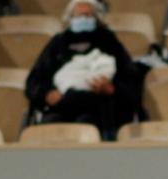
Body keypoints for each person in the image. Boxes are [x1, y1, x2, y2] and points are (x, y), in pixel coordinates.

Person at [24, 0, 140, 140]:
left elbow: (131, 79)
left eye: (88, 15)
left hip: (99, 107)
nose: (83, 19)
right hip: (61, 106)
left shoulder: (109, 41)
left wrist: (112, 89)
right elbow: (34, 82)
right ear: (70, 18)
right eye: (79, 15)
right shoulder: (57, 44)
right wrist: (46, 94)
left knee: (87, 125)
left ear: (96, 18)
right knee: (50, 128)